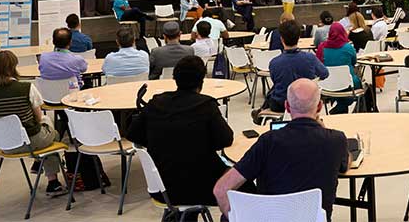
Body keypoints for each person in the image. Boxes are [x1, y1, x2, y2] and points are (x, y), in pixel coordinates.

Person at [214, 79, 349, 220]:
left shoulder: (268, 141)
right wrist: (323, 129)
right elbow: (345, 165)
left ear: (287, 107)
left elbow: (220, 190)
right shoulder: (336, 140)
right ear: (320, 106)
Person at [129, 56, 245, 211]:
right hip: (204, 187)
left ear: (175, 79)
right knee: (247, 181)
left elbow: (133, 134)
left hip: (162, 188)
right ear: (201, 81)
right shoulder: (206, 105)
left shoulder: (155, 103)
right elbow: (226, 139)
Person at [0, 51, 66, 196]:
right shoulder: (27, 88)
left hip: (4, 145)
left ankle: (40, 162)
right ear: (14, 67)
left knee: (46, 130)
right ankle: (52, 181)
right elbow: (38, 118)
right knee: (52, 131)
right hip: (30, 141)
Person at [254, 20, 328, 118]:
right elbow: (325, 73)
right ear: (299, 37)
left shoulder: (274, 63)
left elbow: (276, 81)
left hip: (280, 104)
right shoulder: (310, 58)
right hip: (306, 103)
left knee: (275, 89)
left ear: (282, 39)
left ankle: (262, 109)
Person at [319, 23, 362, 114]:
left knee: (339, 86)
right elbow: (354, 62)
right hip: (348, 84)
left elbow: (319, 64)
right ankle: (341, 107)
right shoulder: (348, 47)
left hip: (327, 84)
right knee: (357, 83)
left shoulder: (321, 47)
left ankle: (340, 108)